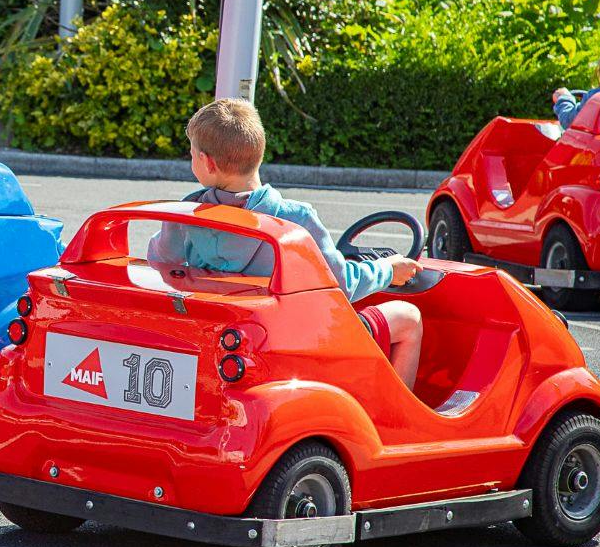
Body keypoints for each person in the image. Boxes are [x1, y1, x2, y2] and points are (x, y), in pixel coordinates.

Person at [149, 99, 424, 389]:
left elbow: (161, 261)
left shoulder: (187, 214)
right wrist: (388, 270)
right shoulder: (296, 218)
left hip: (223, 337)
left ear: (207, 162)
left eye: (191, 154)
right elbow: (341, 285)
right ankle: (395, 422)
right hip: (296, 343)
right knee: (409, 318)